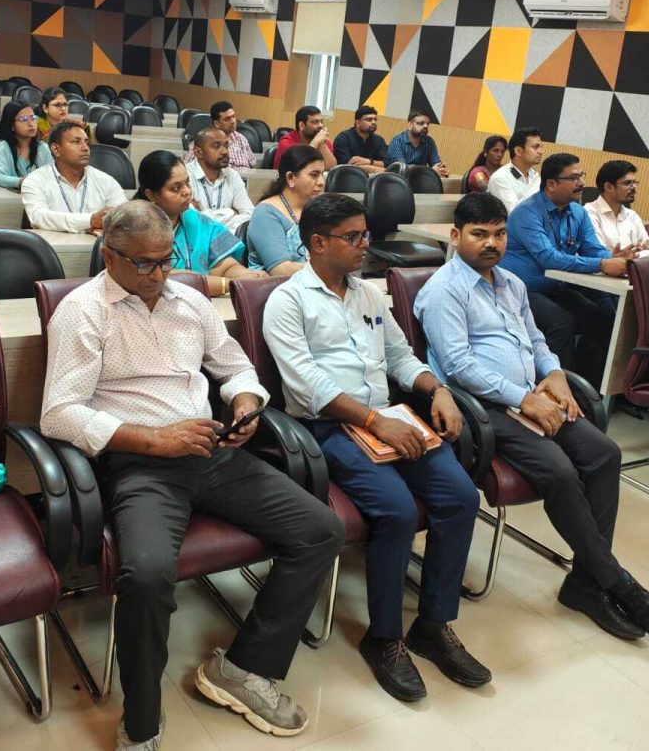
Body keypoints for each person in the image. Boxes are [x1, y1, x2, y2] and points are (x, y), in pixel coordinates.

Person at [39, 201, 345, 750]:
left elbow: (236, 366)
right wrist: (155, 439)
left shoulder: (190, 300)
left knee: (321, 529)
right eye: (145, 263)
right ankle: (142, 722)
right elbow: (59, 413)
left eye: (166, 261)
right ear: (109, 256)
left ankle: (243, 670)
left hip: (209, 450)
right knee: (147, 573)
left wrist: (245, 402)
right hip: (140, 462)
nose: (159, 275)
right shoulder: (82, 312)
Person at [416, 193, 649, 641]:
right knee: (559, 471)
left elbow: (536, 339)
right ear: (456, 236)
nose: (492, 243)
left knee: (604, 454)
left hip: (531, 394)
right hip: (481, 408)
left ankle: (584, 584)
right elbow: (458, 366)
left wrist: (554, 374)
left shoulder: (511, 283)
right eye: (479, 234)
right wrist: (523, 399)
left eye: (500, 234)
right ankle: (614, 580)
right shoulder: (444, 290)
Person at [264, 193, 490, 702]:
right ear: (318, 242)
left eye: (365, 234)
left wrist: (438, 390)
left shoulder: (367, 294)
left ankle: (433, 624)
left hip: (387, 417)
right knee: (395, 510)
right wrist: (373, 422)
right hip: (330, 428)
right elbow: (306, 385)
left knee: (461, 496)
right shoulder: (288, 301)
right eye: (353, 237)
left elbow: (400, 357)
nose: (366, 244)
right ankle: (384, 638)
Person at [500, 153, 624, 387]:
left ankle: (584, 387)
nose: (581, 182)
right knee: (562, 323)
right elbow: (549, 259)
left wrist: (615, 260)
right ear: (551, 184)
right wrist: (602, 265)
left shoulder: (578, 212)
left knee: (603, 320)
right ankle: (548, 387)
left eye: (581, 175)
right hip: (520, 289)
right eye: (574, 178)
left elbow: (592, 248)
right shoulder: (527, 213)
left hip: (556, 288)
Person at [135, 150, 263, 297]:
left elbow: (225, 267)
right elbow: (167, 280)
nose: (187, 192)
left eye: (187, 183)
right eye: (176, 188)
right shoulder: (136, 228)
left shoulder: (197, 221)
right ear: (151, 195)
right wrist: (230, 284)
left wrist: (248, 276)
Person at [21, 121, 126, 234]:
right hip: (52, 244)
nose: (85, 148)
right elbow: (38, 217)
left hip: (93, 244)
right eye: (76, 142)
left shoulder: (105, 181)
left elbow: (125, 216)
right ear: (56, 149)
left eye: (86, 142)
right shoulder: (36, 180)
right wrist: (90, 220)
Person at [246, 144, 326, 276]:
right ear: (290, 178)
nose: (321, 182)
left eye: (322, 174)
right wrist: (331, 271)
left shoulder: (318, 209)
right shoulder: (266, 213)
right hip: (277, 286)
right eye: (314, 175)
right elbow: (280, 269)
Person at [586, 160, 649, 259]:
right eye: (628, 183)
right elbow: (597, 254)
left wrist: (634, 256)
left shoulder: (632, 215)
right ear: (608, 187)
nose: (634, 187)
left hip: (632, 267)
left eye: (635, 183)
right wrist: (628, 257)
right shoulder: (589, 213)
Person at [186, 126, 254, 230]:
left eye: (226, 146)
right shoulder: (185, 176)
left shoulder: (233, 176)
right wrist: (230, 213)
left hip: (227, 239)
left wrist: (203, 215)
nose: (225, 151)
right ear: (198, 152)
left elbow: (250, 215)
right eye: (216, 146)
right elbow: (191, 221)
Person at [0, 100, 54, 189]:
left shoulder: (42, 148)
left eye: (33, 118)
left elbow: (52, 176)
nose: (31, 124)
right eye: (24, 119)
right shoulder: (1, 147)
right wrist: (21, 182)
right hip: (5, 196)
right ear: (12, 125)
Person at [487, 127, 543, 213]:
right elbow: (515, 214)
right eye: (536, 147)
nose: (541, 151)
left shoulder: (534, 175)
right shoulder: (500, 178)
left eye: (541, 147)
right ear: (518, 151)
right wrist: (536, 184)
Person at [386, 110, 448, 176]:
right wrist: (429, 170)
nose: (425, 126)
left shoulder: (429, 141)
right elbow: (402, 168)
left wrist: (441, 170)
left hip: (421, 179)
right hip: (399, 180)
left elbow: (435, 163)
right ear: (410, 125)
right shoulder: (397, 141)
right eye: (421, 123)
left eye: (427, 124)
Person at [332, 105, 387, 173]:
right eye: (369, 119)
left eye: (375, 119)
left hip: (374, 177)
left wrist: (369, 161)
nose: (373, 122)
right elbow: (346, 165)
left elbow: (385, 163)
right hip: (347, 176)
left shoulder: (379, 140)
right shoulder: (343, 138)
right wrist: (374, 169)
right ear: (357, 122)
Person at [210, 100, 256, 169]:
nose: (233, 121)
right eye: (227, 119)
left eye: (233, 116)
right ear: (217, 124)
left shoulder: (241, 139)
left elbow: (252, 165)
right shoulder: (206, 141)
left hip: (245, 175)